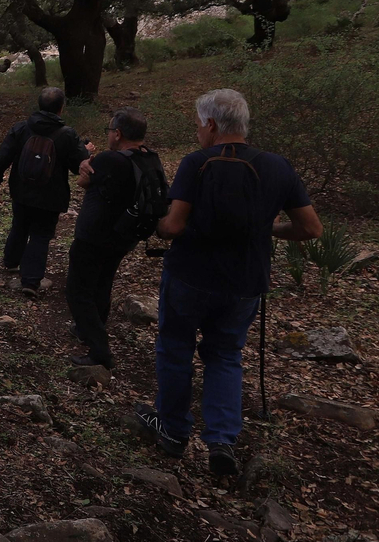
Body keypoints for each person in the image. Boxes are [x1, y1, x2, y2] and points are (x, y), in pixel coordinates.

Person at [135, 88, 322, 476]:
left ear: (213, 124)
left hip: (190, 276)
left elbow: (172, 227)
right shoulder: (277, 166)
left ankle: (172, 430)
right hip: (246, 282)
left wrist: (154, 223)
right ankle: (221, 440)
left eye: (199, 125)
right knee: (225, 355)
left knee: (175, 349)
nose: (198, 133)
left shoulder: (197, 163)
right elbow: (311, 228)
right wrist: (268, 231)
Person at [66, 107, 164, 370]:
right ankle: (89, 330)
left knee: (78, 292)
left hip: (94, 237)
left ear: (118, 133)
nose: (109, 135)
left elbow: (83, 183)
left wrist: (86, 163)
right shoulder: (150, 159)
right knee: (102, 284)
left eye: (110, 131)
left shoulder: (110, 159)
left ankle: (100, 350)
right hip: (124, 236)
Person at [0, 87, 93, 296]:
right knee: (41, 235)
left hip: (21, 189)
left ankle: (11, 262)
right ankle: (30, 281)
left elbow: (2, 157)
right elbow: (77, 168)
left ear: (39, 105)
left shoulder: (21, 128)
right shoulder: (68, 135)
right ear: (61, 108)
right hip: (51, 195)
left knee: (19, 224)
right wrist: (86, 152)